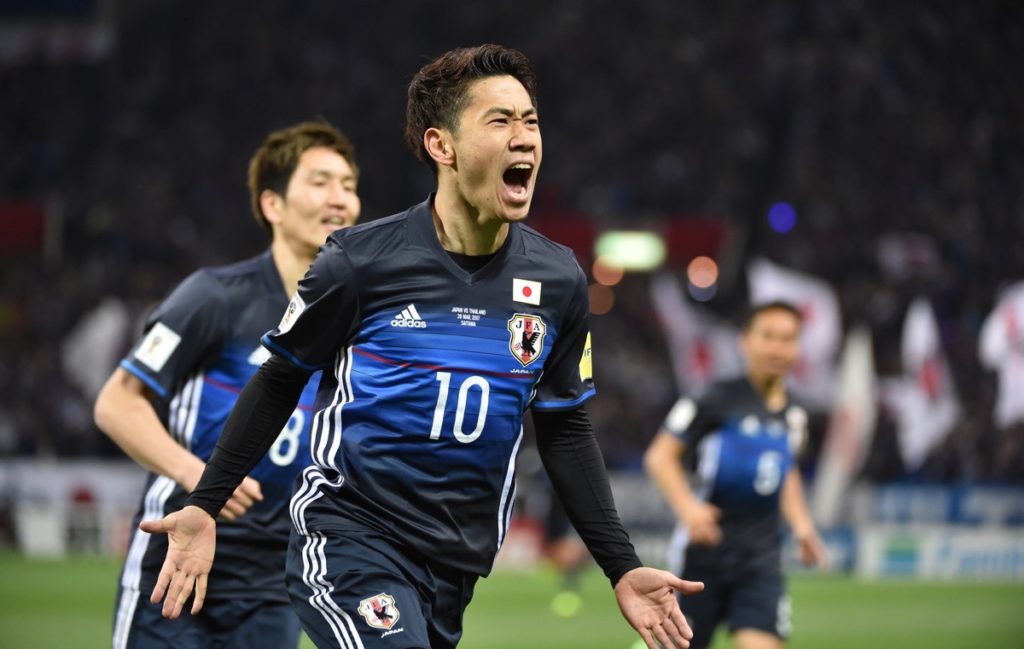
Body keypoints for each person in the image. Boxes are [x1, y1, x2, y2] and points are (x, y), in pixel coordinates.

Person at [140, 44, 703, 649]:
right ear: (442, 146)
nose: (525, 137)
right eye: (500, 121)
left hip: (454, 567)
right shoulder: (359, 262)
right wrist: (205, 503)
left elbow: (564, 426)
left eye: (531, 121)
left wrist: (620, 564)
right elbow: (280, 378)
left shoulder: (558, 280)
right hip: (349, 539)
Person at [93, 120, 361, 649]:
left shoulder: (355, 323)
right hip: (176, 558)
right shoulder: (213, 298)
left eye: (350, 186)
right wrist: (202, 476)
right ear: (273, 205)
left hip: (274, 581)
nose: (341, 200)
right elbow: (116, 403)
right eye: (321, 181)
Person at [643, 301, 828, 649]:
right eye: (768, 336)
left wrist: (803, 526)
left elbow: (785, 471)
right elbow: (660, 456)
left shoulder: (797, 415)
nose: (777, 347)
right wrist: (689, 509)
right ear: (745, 341)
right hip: (703, 554)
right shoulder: (715, 397)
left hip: (761, 559)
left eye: (788, 338)